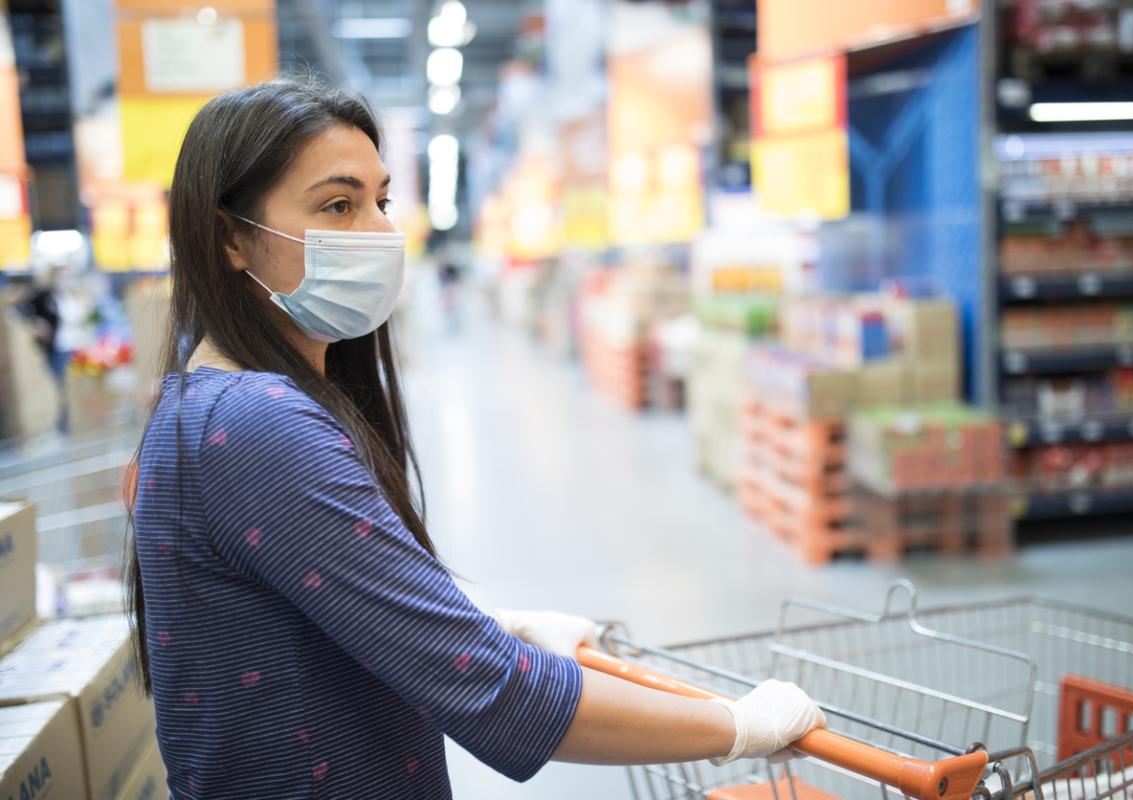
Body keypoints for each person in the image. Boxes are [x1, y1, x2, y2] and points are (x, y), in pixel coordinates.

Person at [126, 79, 826, 799]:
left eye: (381, 201)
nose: (378, 232)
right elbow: (497, 696)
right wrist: (735, 725)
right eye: (338, 205)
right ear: (231, 238)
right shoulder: (254, 424)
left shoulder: (214, 405)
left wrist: (496, 625)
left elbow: (310, 605)